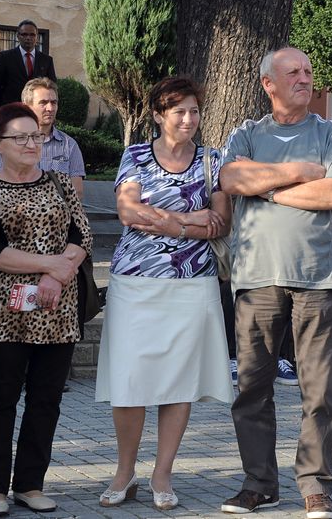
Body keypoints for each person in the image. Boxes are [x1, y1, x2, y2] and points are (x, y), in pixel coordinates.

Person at [219, 47, 332, 519]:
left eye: (307, 71)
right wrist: (297, 175)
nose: (304, 78)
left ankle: (315, 487)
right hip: (256, 277)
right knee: (252, 387)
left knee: (318, 391)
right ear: (268, 84)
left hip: (317, 278)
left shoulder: (331, 132)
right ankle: (260, 483)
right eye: (293, 72)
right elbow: (232, 178)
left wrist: (267, 188)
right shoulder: (246, 133)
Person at [95, 77, 233, 512]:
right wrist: (186, 220)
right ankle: (124, 471)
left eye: (194, 110)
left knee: (178, 383)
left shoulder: (213, 160)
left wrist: (169, 223)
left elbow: (221, 222)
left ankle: (163, 473)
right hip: (135, 281)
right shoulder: (135, 155)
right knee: (129, 381)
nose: (189, 119)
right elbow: (127, 211)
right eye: (179, 111)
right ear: (158, 115)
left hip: (193, 284)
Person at [0, 103, 92, 517]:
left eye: (35, 136)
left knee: (46, 399)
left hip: (58, 308)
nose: (31, 144)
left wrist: (56, 275)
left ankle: (31, 484)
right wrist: (49, 265)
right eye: (20, 137)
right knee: (0, 399)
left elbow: (82, 234)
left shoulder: (57, 182)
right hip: (7, 313)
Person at [0, 77, 86, 198]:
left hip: (58, 214)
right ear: (26, 107)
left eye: (54, 102)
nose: (50, 108)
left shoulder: (69, 145)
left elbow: (76, 192)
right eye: (43, 103)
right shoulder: (8, 143)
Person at [0, 20, 57, 106]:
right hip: (12, 108)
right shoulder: (5, 57)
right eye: (24, 34)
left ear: (37, 37)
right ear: (18, 36)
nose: (28, 38)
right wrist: (5, 104)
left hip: (37, 109)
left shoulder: (46, 60)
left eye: (32, 35)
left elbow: (52, 86)